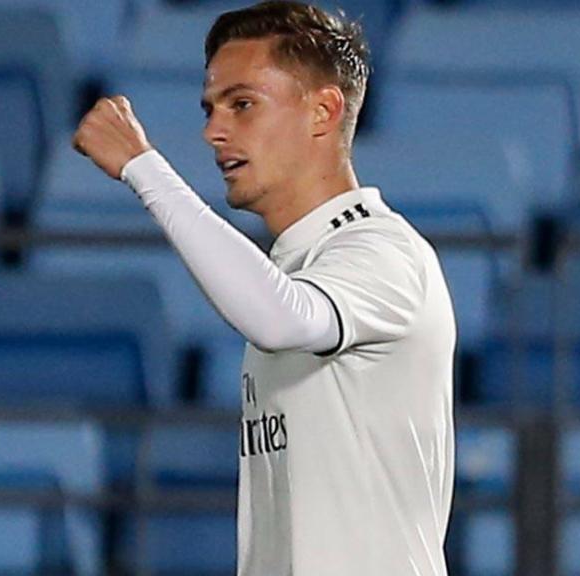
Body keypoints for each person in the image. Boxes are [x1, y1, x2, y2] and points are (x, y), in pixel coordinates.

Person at [72, 2, 456, 574]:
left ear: (324, 111)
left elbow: (282, 318)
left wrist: (143, 167)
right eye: (210, 109)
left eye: (243, 104)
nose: (212, 131)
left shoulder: (383, 251)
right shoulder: (301, 267)